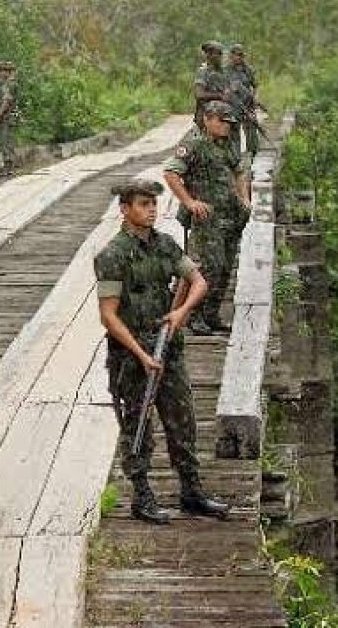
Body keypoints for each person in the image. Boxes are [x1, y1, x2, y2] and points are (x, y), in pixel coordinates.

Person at [93, 178, 231, 524]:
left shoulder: (165, 245)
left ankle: (191, 491)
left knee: (182, 419)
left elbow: (198, 280)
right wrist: (140, 355)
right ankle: (142, 497)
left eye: (154, 204)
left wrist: (182, 312)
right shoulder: (112, 255)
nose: (151, 210)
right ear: (125, 209)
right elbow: (108, 316)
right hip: (132, 354)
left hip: (168, 346)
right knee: (137, 425)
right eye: (143, 204)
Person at [164, 101, 251, 336]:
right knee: (207, 267)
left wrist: (244, 199)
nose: (226, 127)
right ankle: (195, 316)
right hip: (207, 219)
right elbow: (171, 173)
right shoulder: (193, 144)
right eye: (222, 121)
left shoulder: (227, 145)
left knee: (224, 267)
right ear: (208, 119)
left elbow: (239, 170)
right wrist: (189, 202)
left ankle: (211, 315)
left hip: (230, 216)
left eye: (230, 123)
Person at [226, 43, 261, 159]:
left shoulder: (248, 70)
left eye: (240, 55)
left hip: (247, 105)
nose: (238, 58)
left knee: (251, 130)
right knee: (233, 133)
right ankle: (235, 158)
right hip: (232, 106)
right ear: (231, 56)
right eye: (236, 55)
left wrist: (255, 99)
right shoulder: (225, 70)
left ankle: (253, 155)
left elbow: (255, 86)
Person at [192, 40, 229, 128]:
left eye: (221, 54)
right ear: (209, 55)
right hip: (207, 117)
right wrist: (219, 96)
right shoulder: (203, 72)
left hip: (223, 116)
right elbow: (199, 94)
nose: (220, 56)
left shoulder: (223, 72)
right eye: (218, 53)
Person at [0, 60, 19, 176]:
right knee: (8, 141)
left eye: (2, 70)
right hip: (8, 117)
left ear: (7, 72)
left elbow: (6, 102)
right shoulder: (9, 84)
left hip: (7, 118)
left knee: (6, 142)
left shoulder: (9, 85)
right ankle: (9, 167)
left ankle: (8, 168)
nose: (0, 73)